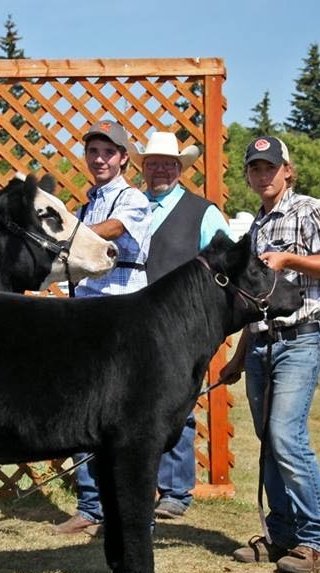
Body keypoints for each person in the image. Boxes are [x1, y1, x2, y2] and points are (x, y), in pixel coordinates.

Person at [220, 136, 320, 573]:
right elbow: (257, 300)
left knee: (287, 438)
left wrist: (290, 259)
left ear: (287, 171)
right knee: (270, 442)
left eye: (269, 167)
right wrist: (239, 357)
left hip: (300, 340)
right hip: (260, 342)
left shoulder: (310, 209)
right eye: (254, 168)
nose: (262, 175)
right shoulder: (255, 226)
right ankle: (282, 536)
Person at [50, 120, 152, 536]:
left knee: (123, 412)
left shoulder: (133, 199)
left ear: (124, 158)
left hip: (122, 312)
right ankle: (91, 506)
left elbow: (112, 231)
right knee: (83, 406)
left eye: (108, 152)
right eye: (93, 152)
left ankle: (124, 507)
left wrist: (62, 236)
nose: (99, 159)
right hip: (86, 311)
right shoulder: (87, 204)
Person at [136, 131, 230, 520]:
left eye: (167, 163)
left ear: (180, 168)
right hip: (131, 322)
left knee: (179, 406)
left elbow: (227, 263)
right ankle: (139, 484)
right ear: (143, 167)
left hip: (182, 326)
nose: (160, 169)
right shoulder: (133, 206)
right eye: (153, 163)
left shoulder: (203, 212)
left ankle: (176, 491)